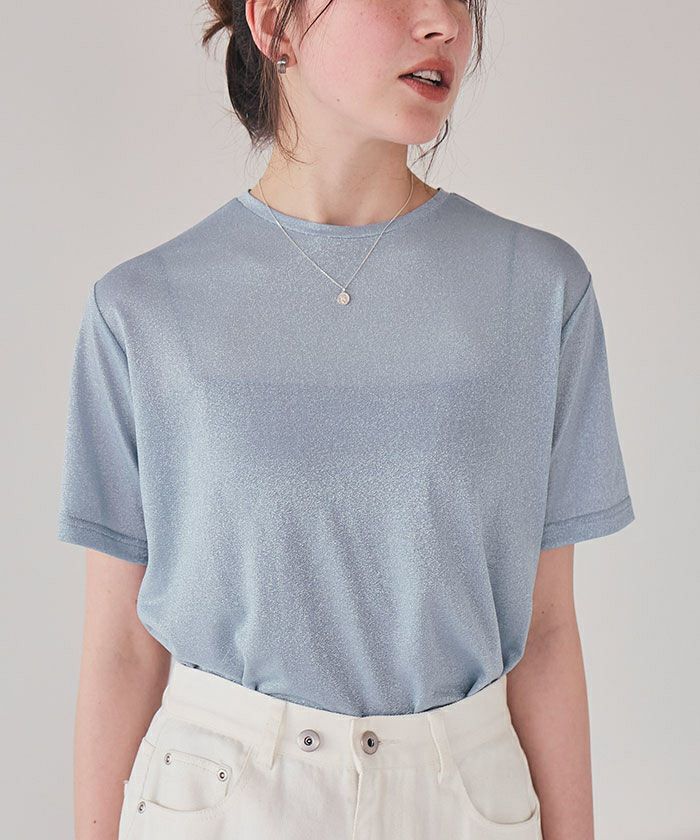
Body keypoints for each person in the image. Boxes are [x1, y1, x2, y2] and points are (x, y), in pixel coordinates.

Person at [57, 1, 635, 838]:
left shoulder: (540, 290)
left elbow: (545, 633)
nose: (444, 22)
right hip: (220, 801)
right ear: (274, 24)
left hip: (463, 800)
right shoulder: (142, 309)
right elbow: (120, 648)